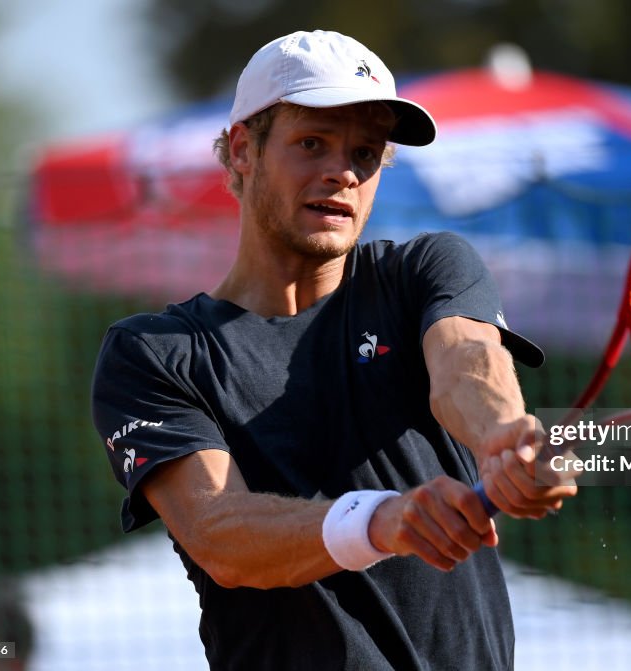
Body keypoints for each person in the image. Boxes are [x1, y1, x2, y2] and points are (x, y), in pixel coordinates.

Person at [91, 29, 575, 670]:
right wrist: (383, 520)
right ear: (242, 151)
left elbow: (465, 362)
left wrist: (504, 436)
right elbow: (221, 534)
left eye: (365, 153)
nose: (342, 172)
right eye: (311, 144)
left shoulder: (426, 269)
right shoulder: (153, 353)